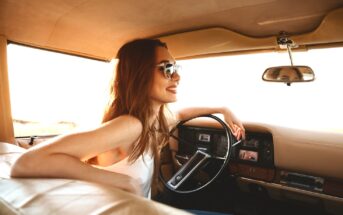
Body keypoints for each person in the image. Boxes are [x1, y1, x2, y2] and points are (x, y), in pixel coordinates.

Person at [10, 39, 245, 199]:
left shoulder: (154, 121)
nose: (177, 76)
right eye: (167, 68)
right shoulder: (131, 125)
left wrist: (223, 108)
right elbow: (25, 163)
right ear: (140, 74)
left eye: (176, 67)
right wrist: (123, 183)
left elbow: (181, 114)